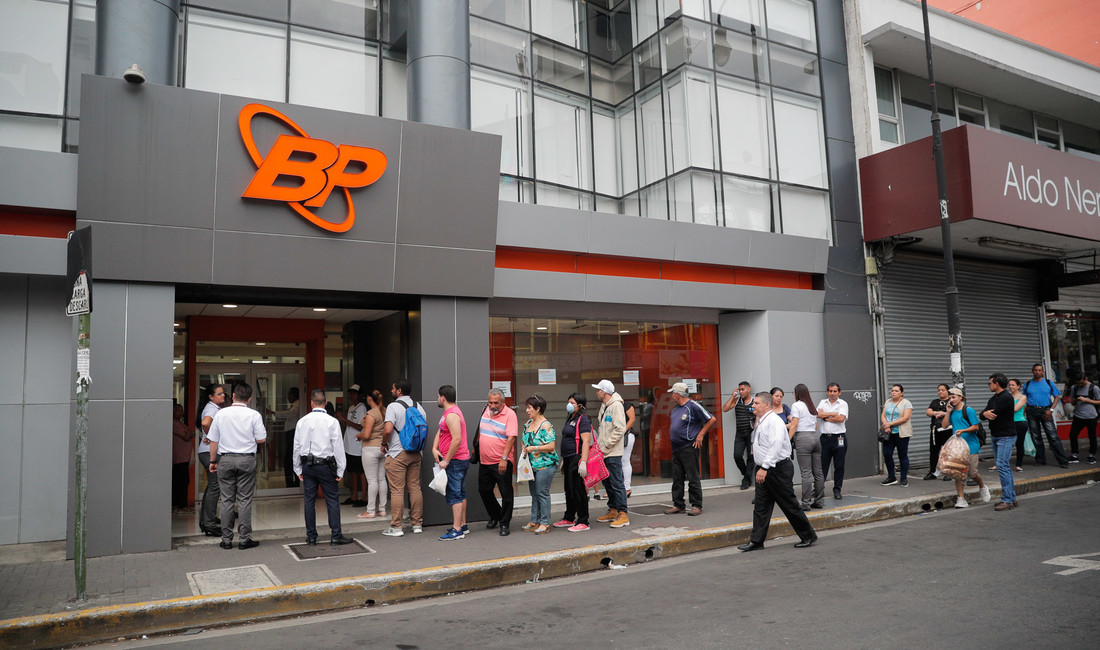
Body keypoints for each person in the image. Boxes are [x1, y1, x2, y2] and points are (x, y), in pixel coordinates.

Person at [738, 392, 818, 552]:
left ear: (766, 405)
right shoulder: (761, 420)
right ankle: (757, 541)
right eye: (753, 403)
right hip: (764, 469)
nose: (753, 406)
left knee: (789, 504)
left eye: (757, 403)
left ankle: (808, 535)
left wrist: (765, 467)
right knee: (761, 507)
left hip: (776, 469)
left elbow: (775, 446)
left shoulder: (774, 421)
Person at [208, 382, 267, 550]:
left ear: (233, 396)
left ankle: (226, 540)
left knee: (226, 500)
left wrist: (213, 461)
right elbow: (261, 439)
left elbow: (214, 440)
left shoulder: (221, 414)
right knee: (244, 500)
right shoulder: (254, 415)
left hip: (226, 459)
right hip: (246, 460)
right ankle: (244, 539)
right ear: (249, 399)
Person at [292, 389, 353, 546]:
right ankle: (336, 535)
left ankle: (311, 536)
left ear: (311, 403)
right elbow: (338, 447)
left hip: (308, 465)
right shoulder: (332, 422)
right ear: (325, 403)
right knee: (332, 499)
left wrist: (297, 468)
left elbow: (297, 447)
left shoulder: (302, 421)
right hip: (326, 466)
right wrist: (340, 470)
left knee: (309, 500)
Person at [381, 379, 426, 537]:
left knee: (397, 490)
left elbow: (387, 430)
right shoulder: (419, 406)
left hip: (397, 452)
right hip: (416, 453)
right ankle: (417, 524)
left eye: (393, 388)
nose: (391, 390)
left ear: (399, 391)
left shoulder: (393, 407)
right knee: (414, 487)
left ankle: (397, 527)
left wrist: (383, 443)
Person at [663, 382, 716, 516]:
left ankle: (697, 505)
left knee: (692, 477)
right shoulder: (676, 408)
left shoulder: (693, 406)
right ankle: (678, 504)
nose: (671, 395)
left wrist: (701, 435)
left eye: (673, 393)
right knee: (677, 478)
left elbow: (711, 419)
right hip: (676, 448)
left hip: (689, 447)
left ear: (678, 394)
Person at [477, 388, 518, 536]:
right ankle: (496, 515)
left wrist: (504, 459)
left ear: (503, 402)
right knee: (484, 490)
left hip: (501, 461)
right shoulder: (485, 410)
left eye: (495, 403)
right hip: (485, 461)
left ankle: (504, 523)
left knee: (506, 493)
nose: (492, 405)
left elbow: (511, 438)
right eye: (490, 402)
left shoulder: (510, 415)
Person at [432, 385, 470, 541]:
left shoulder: (452, 415)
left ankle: (457, 530)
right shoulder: (448, 414)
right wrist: (434, 448)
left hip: (455, 461)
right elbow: (441, 431)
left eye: (438, 396)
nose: (437, 399)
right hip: (457, 460)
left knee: (455, 494)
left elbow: (457, 439)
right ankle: (462, 525)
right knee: (460, 492)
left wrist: (446, 460)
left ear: (443, 397)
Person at [943, 388, 991, 508]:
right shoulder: (952, 412)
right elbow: (944, 426)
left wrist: (964, 430)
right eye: (950, 397)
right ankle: (961, 499)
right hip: (958, 448)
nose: (951, 400)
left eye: (953, 397)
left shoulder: (968, 410)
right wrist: (947, 412)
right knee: (958, 473)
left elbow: (976, 427)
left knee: (972, 473)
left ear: (961, 398)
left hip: (971, 446)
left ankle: (982, 487)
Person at [520, 395, 560, 535]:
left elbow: (551, 446)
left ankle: (545, 522)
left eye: (529, 408)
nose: (527, 410)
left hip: (545, 464)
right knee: (534, 494)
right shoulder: (528, 423)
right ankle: (534, 520)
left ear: (538, 409)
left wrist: (534, 448)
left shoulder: (546, 425)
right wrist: (524, 447)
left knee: (542, 493)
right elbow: (524, 440)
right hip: (531, 465)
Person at [592, 379, 629, 528]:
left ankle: (623, 514)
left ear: (604, 392)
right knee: (607, 482)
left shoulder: (616, 406)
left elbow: (620, 429)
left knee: (616, 483)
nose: (596, 392)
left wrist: (606, 445)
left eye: (598, 390)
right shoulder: (605, 406)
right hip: (604, 452)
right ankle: (613, 509)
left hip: (612, 452)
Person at [554, 393, 592, 532]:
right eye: (568, 401)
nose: (569, 404)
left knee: (578, 490)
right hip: (568, 458)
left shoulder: (583, 419)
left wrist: (583, 462)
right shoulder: (570, 418)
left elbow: (586, 441)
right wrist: (564, 460)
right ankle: (569, 517)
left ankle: (583, 520)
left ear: (580, 405)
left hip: (577, 457)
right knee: (569, 490)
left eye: (572, 402)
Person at [981, 373, 1018, 511]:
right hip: (997, 435)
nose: (989, 385)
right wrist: (984, 414)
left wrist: (986, 414)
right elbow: (984, 414)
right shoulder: (994, 398)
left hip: (1006, 435)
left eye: (990, 383)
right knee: (1003, 466)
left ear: (997, 384)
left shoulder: (1006, 397)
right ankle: (1011, 498)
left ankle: (1007, 499)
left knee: (1002, 466)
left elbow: (994, 413)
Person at [1023, 364, 1070, 468]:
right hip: (1031, 411)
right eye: (1035, 370)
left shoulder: (1048, 383)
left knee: (1053, 436)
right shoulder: (1027, 384)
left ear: (1042, 372)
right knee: (1036, 436)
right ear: (1032, 371)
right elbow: (1024, 400)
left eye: (1039, 370)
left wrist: (1051, 410)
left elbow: (1057, 397)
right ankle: (1040, 460)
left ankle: (1063, 461)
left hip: (1046, 411)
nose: (1037, 372)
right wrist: (1023, 414)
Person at [196, 384, 225, 536]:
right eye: (219, 394)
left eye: (223, 393)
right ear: (211, 396)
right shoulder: (212, 409)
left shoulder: (212, 407)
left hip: (205, 451)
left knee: (212, 487)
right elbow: (205, 423)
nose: (223, 395)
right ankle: (210, 524)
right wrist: (211, 437)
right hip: (209, 453)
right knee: (215, 487)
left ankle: (206, 520)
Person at [788, 383, 824, 510]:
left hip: (803, 438)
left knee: (806, 472)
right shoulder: (811, 406)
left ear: (797, 394)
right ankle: (819, 501)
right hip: (815, 437)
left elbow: (794, 424)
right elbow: (815, 426)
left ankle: (805, 503)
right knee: (818, 472)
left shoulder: (796, 405)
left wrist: (787, 439)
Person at [356, 389, 389, 519]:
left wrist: (359, 435)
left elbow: (367, 434)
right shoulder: (385, 411)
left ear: (369, 399)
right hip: (383, 448)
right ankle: (382, 509)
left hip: (370, 449)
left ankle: (370, 510)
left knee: (372, 480)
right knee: (381, 479)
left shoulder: (371, 414)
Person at [335, 385, 367, 507]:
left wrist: (344, 419)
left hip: (357, 445)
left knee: (361, 472)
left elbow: (360, 426)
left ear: (359, 395)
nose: (352, 395)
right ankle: (354, 496)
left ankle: (363, 497)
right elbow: (348, 426)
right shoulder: (351, 407)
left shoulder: (362, 408)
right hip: (349, 444)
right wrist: (341, 420)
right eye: (351, 393)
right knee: (353, 471)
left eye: (354, 393)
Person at [817, 383, 849, 500]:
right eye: (830, 391)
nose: (832, 393)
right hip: (825, 438)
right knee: (822, 466)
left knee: (839, 465)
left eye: (835, 391)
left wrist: (825, 417)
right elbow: (818, 414)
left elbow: (841, 419)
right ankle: (819, 490)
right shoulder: (822, 402)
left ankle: (837, 489)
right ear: (827, 392)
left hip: (838, 438)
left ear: (839, 392)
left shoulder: (843, 404)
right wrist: (832, 414)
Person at [723, 381, 755, 490]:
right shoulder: (737, 401)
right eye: (739, 390)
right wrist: (733, 396)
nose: (740, 391)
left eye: (742, 389)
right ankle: (746, 474)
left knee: (751, 457)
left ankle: (746, 480)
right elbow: (725, 408)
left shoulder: (754, 401)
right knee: (737, 456)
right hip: (740, 434)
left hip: (751, 433)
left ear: (748, 389)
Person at [879, 384, 914, 487]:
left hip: (901, 433)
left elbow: (905, 418)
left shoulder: (906, 403)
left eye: (896, 391)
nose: (893, 392)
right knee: (887, 454)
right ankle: (891, 477)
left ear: (902, 393)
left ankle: (903, 478)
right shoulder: (888, 402)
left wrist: (890, 424)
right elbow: (883, 415)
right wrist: (886, 425)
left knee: (902, 455)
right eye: (892, 390)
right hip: (888, 433)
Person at [1066, 372, 1100, 465]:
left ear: (1086, 379)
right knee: (1073, 434)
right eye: (1078, 383)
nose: (1080, 385)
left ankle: (1091, 455)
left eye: (1082, 383)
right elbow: (1072, 402)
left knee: (1092, 436)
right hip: (1078, 415)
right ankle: (1074, 454)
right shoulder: (1074, 387)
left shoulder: (1094, 388)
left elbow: (1099, 401)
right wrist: (1076, 400)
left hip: (1091, 416)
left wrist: (1086, 400)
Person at [924, 384, 954, 480]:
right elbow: (928, 412)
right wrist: (936, 413)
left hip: (948, 430)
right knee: (934, 451)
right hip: (935, 430)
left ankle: (948, 472)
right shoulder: (935, 402)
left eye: (942, 390)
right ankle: (932, 471)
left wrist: (945, 413)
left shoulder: (952, 401)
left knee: (948, 452)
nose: (940, 392)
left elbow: (956, 413)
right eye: (939, 390)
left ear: (948, 391)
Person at [171, 403, 194, 513]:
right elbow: (187, 436)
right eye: (178, 410)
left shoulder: (180, 424)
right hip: (178, 457)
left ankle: (178, 504)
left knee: (183, 480)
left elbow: (192, 433)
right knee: (181, 481)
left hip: (184, 457)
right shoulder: (173, 424)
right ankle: (181, 505)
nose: (180, 413)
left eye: (181, 410)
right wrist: (188, 433)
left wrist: (189, 432)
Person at [277, 387, 301, 488]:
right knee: (290, 459)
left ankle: (293, 483)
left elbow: (290, 414)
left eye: (290, 395)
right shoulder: (294, 405)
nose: (288, 397)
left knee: (290, 459)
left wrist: (274, 413)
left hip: (293, 433)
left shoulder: (298, 405)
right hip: (290, 433)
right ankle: (291, 482)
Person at [1008, 379, 1028, 472]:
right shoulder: (1008, 397)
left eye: (1013, 385)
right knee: (1006, 443)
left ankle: (1019, 464)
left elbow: (1016, 408)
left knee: (1019, 444)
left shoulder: (1022, 397)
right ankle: (1002, 463)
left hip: (1020, 423)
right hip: (1009, 422)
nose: (1011, 387)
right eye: (1009, 385)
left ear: (1018, 386)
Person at [622, 399, 637, 498]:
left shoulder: (625, 404)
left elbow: (632, 419)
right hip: (615, 437)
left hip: (626, 435)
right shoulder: (607, 406)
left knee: (624, 460)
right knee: (615, 462)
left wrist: (622, 431)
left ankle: (627, 487)